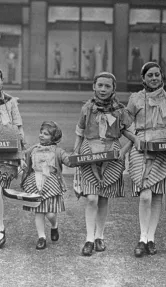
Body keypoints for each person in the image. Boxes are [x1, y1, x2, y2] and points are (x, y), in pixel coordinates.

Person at [126, 62, 166, 257]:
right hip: (142, 145)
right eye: (150, 75)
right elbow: (124, 125)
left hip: (164, 145)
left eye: (157, 75)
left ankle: (150, 238)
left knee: (157, 195)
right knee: (145, 194)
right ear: (143, 78)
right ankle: (142, 237)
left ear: (162, 77)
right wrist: (135, 139)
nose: (154, 78)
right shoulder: (135, 99)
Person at [73, 72, 134, 256]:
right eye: (100, 85)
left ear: (113, 88)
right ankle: (89, 239)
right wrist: (76, 152)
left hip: (111, 154)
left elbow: (132, 135)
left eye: (107, 86)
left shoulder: (120, 110)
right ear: (94, 86)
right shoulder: (87, 108)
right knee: (91, 197)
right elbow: (79, 131)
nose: (103, 89)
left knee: (103, 197)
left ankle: (100, 235)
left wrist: (122, 153)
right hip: (89, 151)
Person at [22, 121, 72, 250]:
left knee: (50, 213)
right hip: (35, 182)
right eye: (41, 132)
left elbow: (69, 161)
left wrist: (78, 158)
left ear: (54, 137)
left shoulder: (58, 151)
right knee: (38, 211)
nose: (41, 135)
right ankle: (41, 237)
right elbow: (24, 158)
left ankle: (54, 225)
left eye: (46, 134)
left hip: (51, 183)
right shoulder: (33, 149)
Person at [0, 69, 26, 249]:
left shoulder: (9, 102)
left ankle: (0, 228)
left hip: (6, 153)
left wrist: (22, 154)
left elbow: (18, 127)